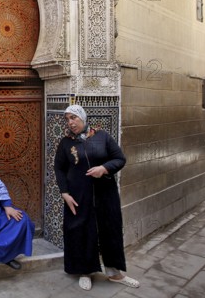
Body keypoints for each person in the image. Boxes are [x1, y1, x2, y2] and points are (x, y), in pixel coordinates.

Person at [54, 104, 140, 290]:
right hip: (78, 197)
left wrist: (104, 168)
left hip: (104, 194)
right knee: (81, 231)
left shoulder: (102, 137)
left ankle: (114, 273)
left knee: (110, 230)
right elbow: (59, 168)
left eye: (73, 118)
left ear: (83, 118)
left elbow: (120, 159)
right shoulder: (66, 143)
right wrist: (65, 193)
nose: (70, 122)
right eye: (67, 119)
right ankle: (85, 271)